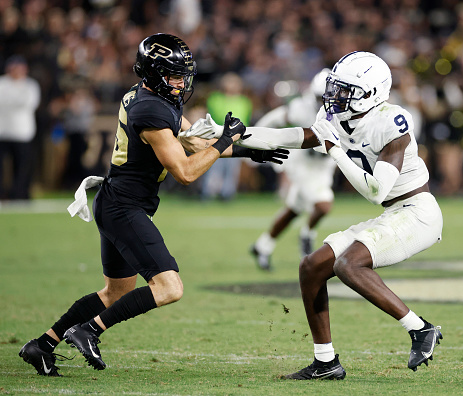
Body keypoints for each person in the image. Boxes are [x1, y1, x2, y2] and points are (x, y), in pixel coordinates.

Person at [18, 33, 288, 377]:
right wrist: (224, 140)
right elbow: (186, 172)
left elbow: (193, 141)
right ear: (155, 73)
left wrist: (248, 151)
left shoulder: (150, 95)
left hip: (117, 202)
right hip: (124, 207)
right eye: (175, 75)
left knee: (115, 291)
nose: (181, 82)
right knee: (169, 288)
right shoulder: (151, 109)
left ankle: (41, 345)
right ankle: (89, 330)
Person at [185, 51, 444, 379]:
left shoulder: (392, 122)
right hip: (393, 213)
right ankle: (326, 362)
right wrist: (234, 133)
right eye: (335, 86)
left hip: (418, 213)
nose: (333, 95)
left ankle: (419, 329)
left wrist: (334, 148)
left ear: (370, 94)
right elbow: (292, 136)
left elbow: (375, 190)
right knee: (311, 267)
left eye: (344, 89)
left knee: (348, 264)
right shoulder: (340, 116)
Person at [250, 68, 337, 270]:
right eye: (319, 97)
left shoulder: (345, 108)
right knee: (323, 204)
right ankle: (307, 235)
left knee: (294, 210)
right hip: (303, 163)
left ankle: (262, 245)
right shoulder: (302, 107)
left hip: (324, 165)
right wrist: (255, 141)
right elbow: (275, 119)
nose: (324, 102)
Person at [200, 72, 253, 201]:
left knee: (232, 168)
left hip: (237, 139)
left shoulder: (244, 101)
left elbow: (245, 119)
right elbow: (217, 116)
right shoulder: (215, 98)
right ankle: (209, 192)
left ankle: (227, 193)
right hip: (217, 137)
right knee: (213, 164)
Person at [0, 55, 41, 200]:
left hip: (23, 133)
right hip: (3, 133)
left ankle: (19, 194)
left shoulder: (31, 85)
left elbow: (29, 103)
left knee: (22, 168)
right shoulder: (2, 83)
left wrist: (10, 102)